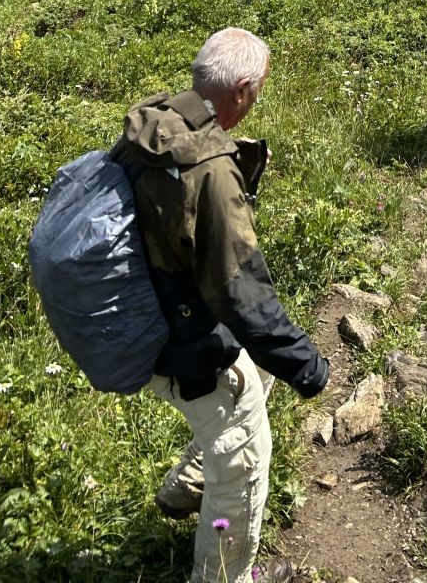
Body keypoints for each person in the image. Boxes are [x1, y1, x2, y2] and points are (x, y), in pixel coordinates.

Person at [112, 28, 329, 583]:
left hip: (134, 309)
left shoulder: (154, 123)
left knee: (256, 370)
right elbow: (242, 295)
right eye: (256, 93)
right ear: (242, 89)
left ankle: (184, 482)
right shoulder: (208, 166)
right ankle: (224, 577)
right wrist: (308, 367)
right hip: (177, 336)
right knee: (245, 458)